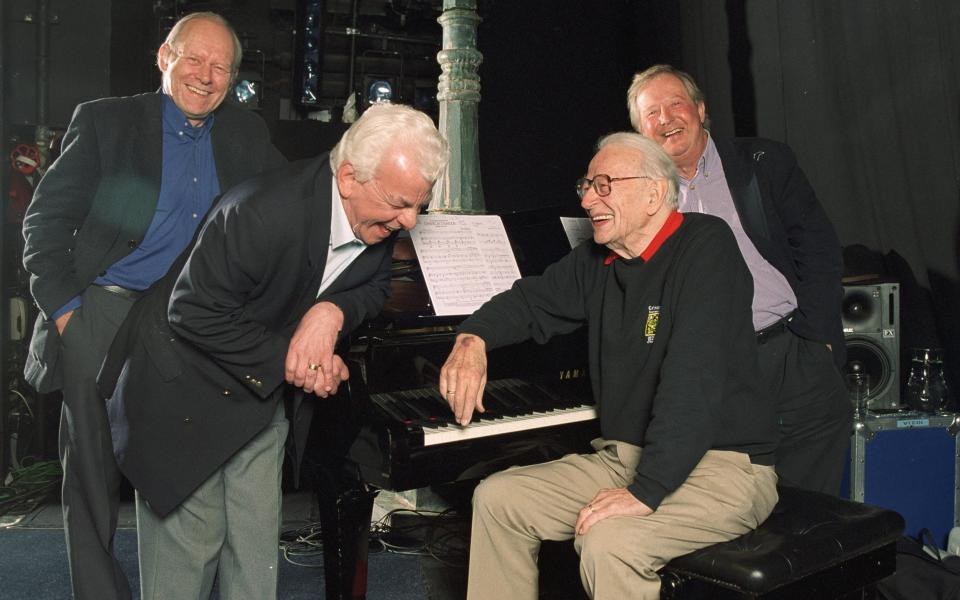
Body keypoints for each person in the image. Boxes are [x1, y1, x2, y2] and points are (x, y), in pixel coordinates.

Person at [98, 102, 448, 600]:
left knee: (255, 555)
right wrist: (298, 357)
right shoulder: (261, 210)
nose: (410, 221)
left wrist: (329, 315)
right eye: (399, 203)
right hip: (181, 387)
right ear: (349, 177)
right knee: (189, 556)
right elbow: (193, 312)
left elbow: (371, 287)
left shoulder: (378, 219)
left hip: (258, 392)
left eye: (420, 204)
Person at [439, 132, 778, 600]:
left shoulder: (705, 246)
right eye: (586, 185)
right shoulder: (595, 263)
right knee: (499, 499)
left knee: (610, 541)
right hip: (624, 457)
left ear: (654, 192)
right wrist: (472, 339)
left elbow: (691, 381)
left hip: (723, 469)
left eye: (604, 184)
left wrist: (646, 491)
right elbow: (529, 302)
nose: (586, 199)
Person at [20, 12, 285, 600]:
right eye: (194, 58)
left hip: (191, 326)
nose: (206, 75)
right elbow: (43, 225)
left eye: (221, 67)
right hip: (102, 312)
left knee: (175, 474)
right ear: (165, 56)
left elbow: (279, 221)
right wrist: (68, 316)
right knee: (91, 484)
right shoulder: (107, 123)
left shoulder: (246, 135)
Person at [626, 64, 850, 495]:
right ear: (639, 132)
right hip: (712, 373)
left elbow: (819, 248)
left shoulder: (763, 162)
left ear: (701, 109)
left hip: (792, 355)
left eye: (676, 104)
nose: (667, 120)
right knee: (732, 515)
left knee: (809, 514)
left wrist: (817, 340)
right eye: (652, 114)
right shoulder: (639, 198)